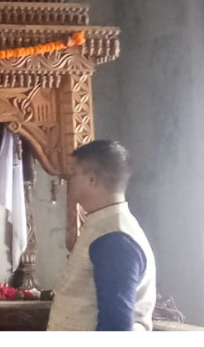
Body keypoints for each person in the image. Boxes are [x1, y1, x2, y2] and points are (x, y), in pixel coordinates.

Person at [46, 140, 156, 332]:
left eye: (73, 174)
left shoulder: (114, 237)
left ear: (91, 179)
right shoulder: (104, 226)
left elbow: (116, 325)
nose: (67, 181)